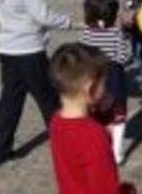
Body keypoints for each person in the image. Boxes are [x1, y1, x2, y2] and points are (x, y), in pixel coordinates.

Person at [0, 0, 71, 169]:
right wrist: (69, 22)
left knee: (10, 101)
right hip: (29, 52)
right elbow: (43, 16)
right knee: (50, 101)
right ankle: (68, 147)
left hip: (8, 51)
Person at [48, 43, 137, 194]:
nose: (107, 88)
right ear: (91, 88)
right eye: (104, 83)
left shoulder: (56, 121)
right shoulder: (94, 136)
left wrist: (104, 111)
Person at [79, 0, 131, 165]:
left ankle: (98, 147)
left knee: (96, 115)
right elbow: (124, 57)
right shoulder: (117, 33)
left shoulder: (87, 33)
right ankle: (117, 153)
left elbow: (84, 56)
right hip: (114, 77)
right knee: (118, 115)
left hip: (94, 79)